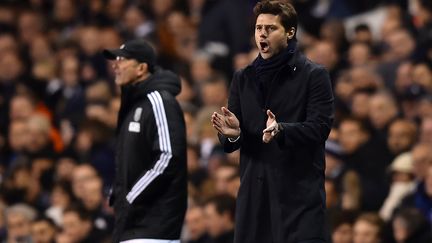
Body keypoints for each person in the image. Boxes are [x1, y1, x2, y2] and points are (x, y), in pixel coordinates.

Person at [210, 1, 334, 242]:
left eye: (270, 28)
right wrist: (232, 133)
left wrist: (281, 131)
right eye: (258, 28)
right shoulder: (242, 77)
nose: (262, 34)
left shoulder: (314, 75)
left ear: (290, 32)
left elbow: (320, 128)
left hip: (298, 200)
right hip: (254, 199)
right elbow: (231, 142)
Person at [103, 39, 187, 243]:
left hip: (154, 225)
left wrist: (131, 197)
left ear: (141, 68)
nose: (115, 65)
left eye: (122, 60)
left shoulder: (159, 100)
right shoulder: (135, 104)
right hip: (133, 225)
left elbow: (168, 156)